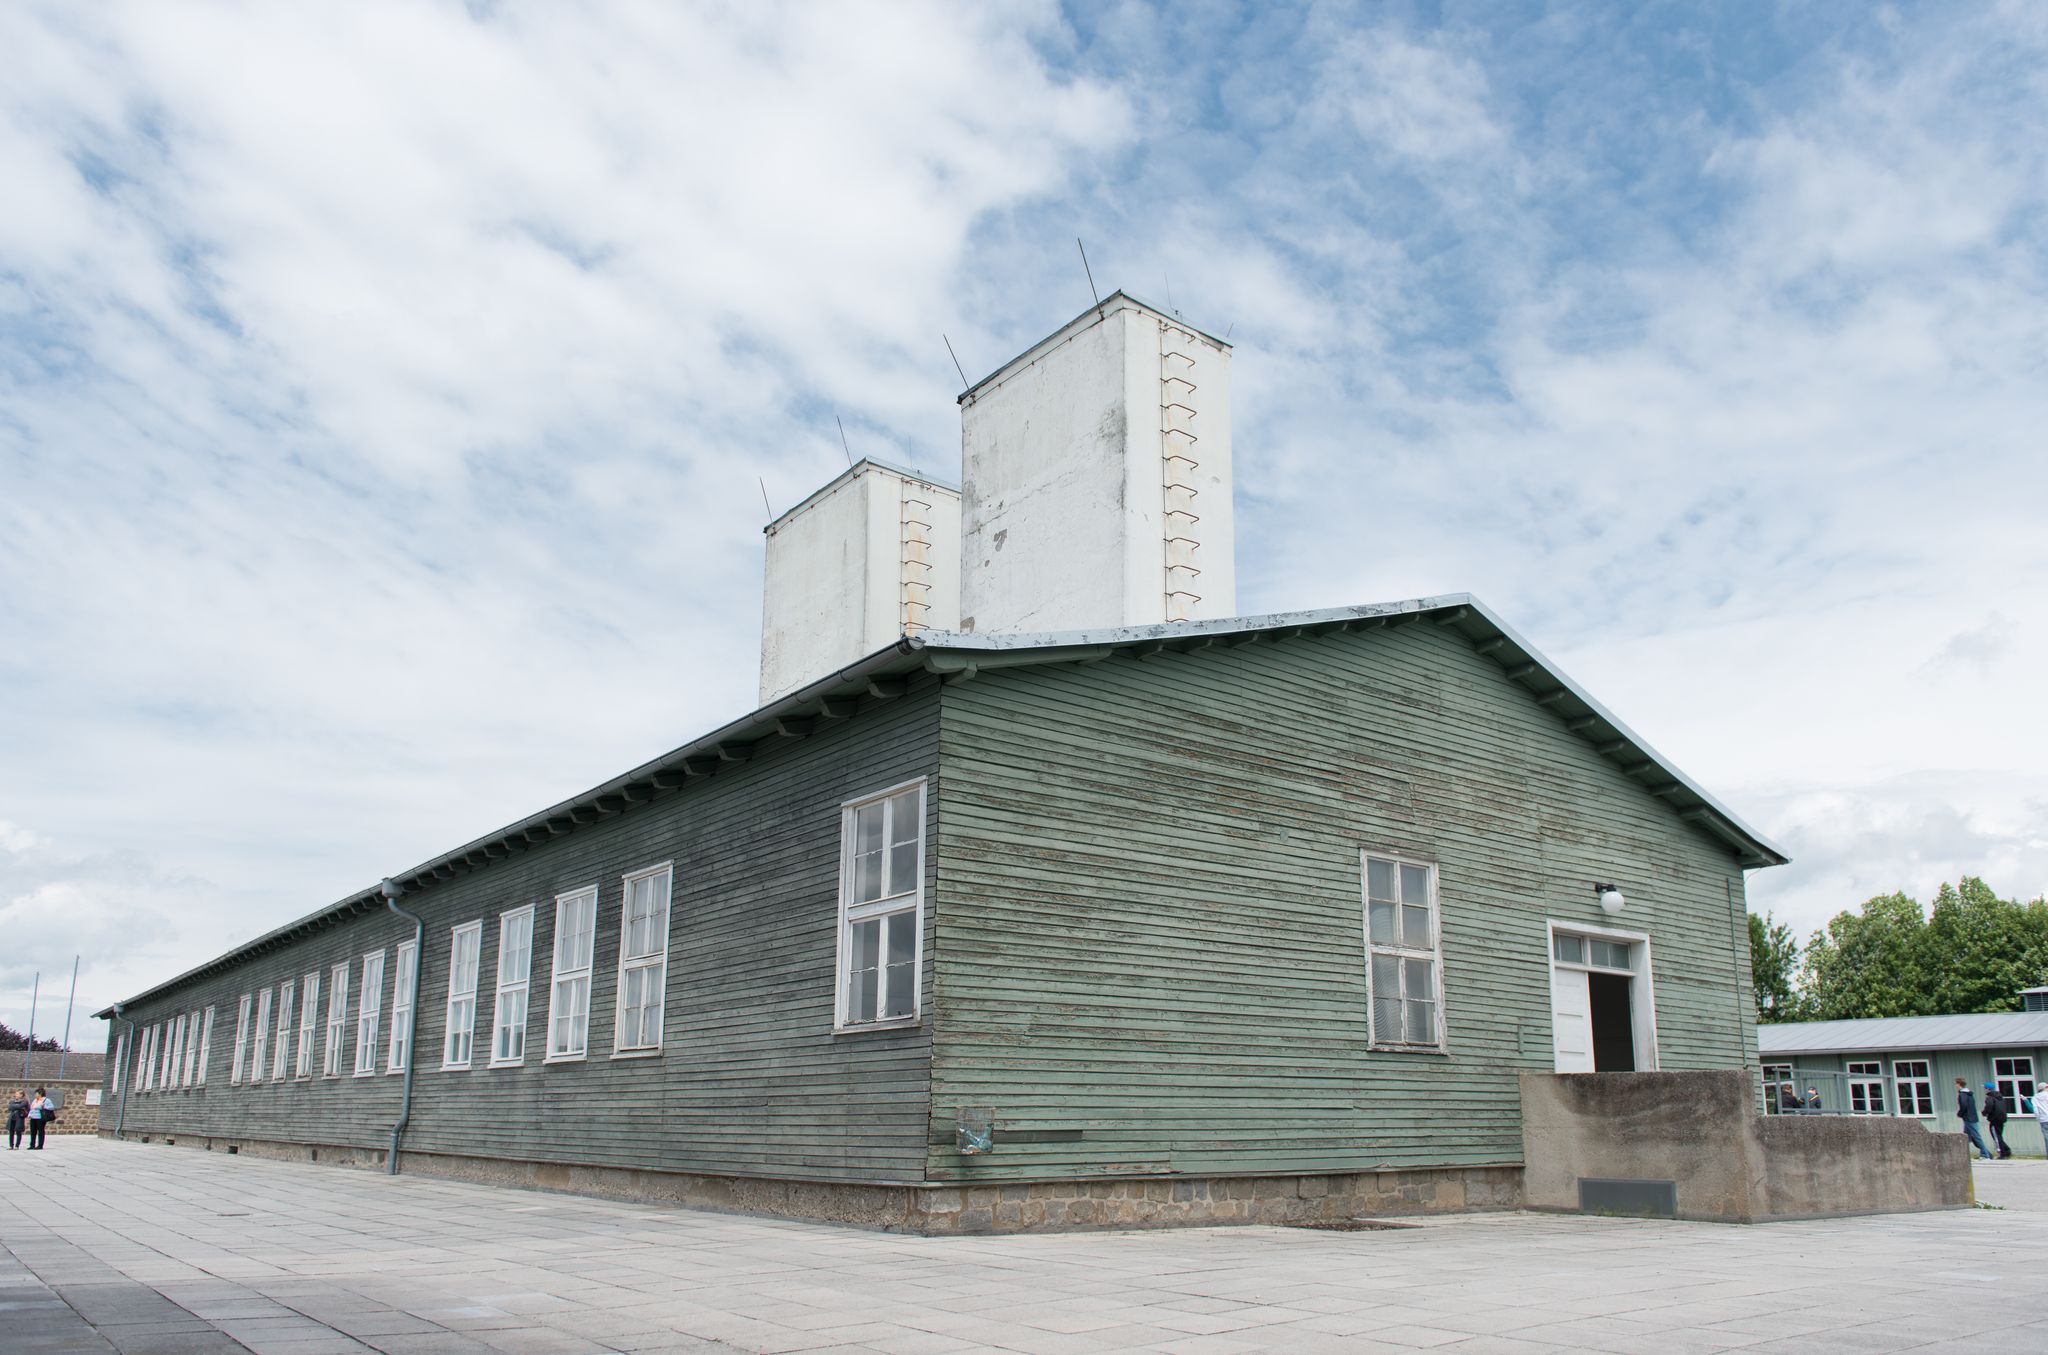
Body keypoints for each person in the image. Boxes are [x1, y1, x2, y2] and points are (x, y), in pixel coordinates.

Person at [1956, 1078, 1994, 1161]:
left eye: (1956, 1083)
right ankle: (1986, 1154)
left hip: (1968, 1118)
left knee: (1976, 1137)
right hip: (1972, 1117)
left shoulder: (1963, 1094)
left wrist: (1960, 1113)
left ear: (1959, 1084)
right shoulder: (1969, 1094)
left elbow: (1964, 1105)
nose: (1955, 1085)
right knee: (1967, 1137)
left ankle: (1985, 1155)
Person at [1983, 1083, 2012, 1159]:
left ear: (1988, 1089)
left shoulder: (1990, 1097)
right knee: (1998, 1135)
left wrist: (1985, 1112)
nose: (1984, 1090)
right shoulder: (1999, 1096)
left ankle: (2002, 1154)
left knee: (1996, 1136)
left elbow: (1989, 1106)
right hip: (2001, 1118)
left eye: (1985, 1088)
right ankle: (2006, 1150)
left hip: (1994, 1119)